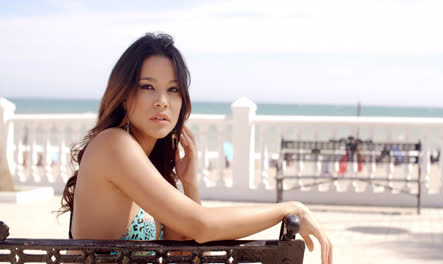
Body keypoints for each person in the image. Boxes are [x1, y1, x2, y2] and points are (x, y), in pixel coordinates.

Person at [58, 33, 333, 263]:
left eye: (174, 89)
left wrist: (190, 183)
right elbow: (201, 226)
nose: (162, 101)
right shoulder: (113, 144)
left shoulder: (145, 161)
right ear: (123, 95)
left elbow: (183, 251)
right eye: (147, 86)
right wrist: (290, 208)